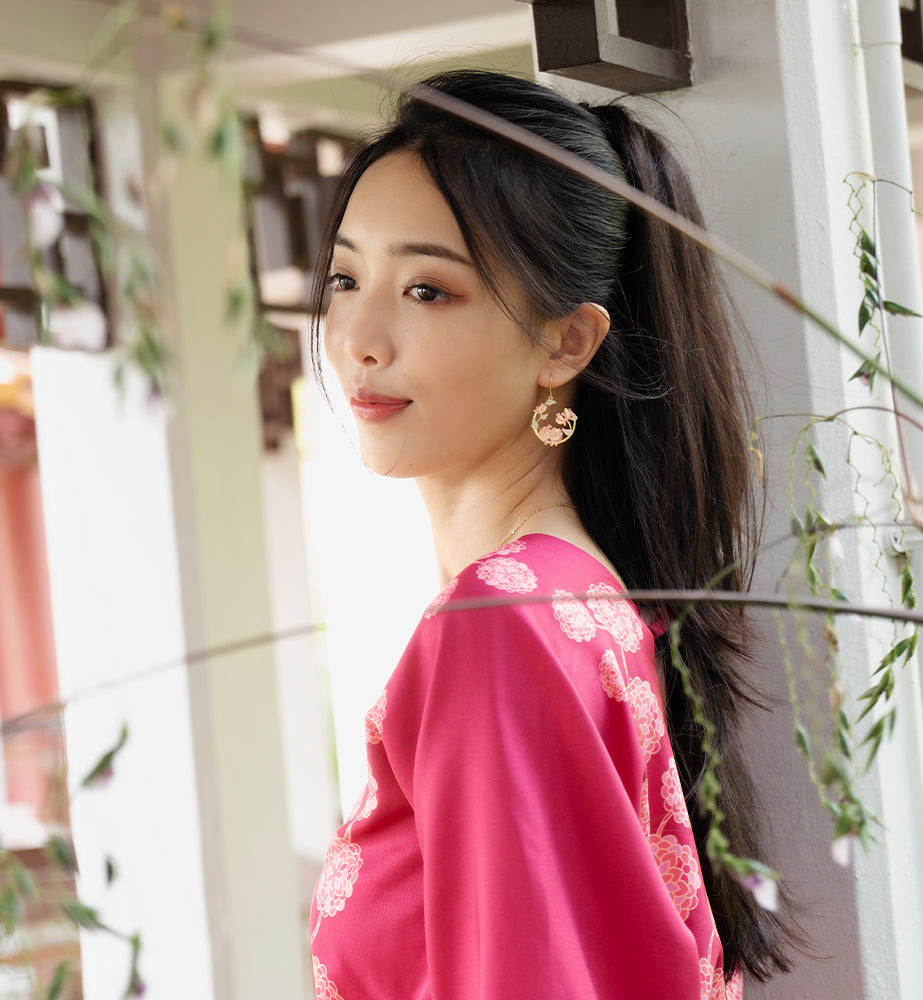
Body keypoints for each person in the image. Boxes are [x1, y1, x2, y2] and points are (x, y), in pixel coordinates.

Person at [308, 69, 794, 1000]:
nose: (360, 336)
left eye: (427, 290)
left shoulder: (498, 624)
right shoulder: (577, 598)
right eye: (345, 275)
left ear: (567, 343)